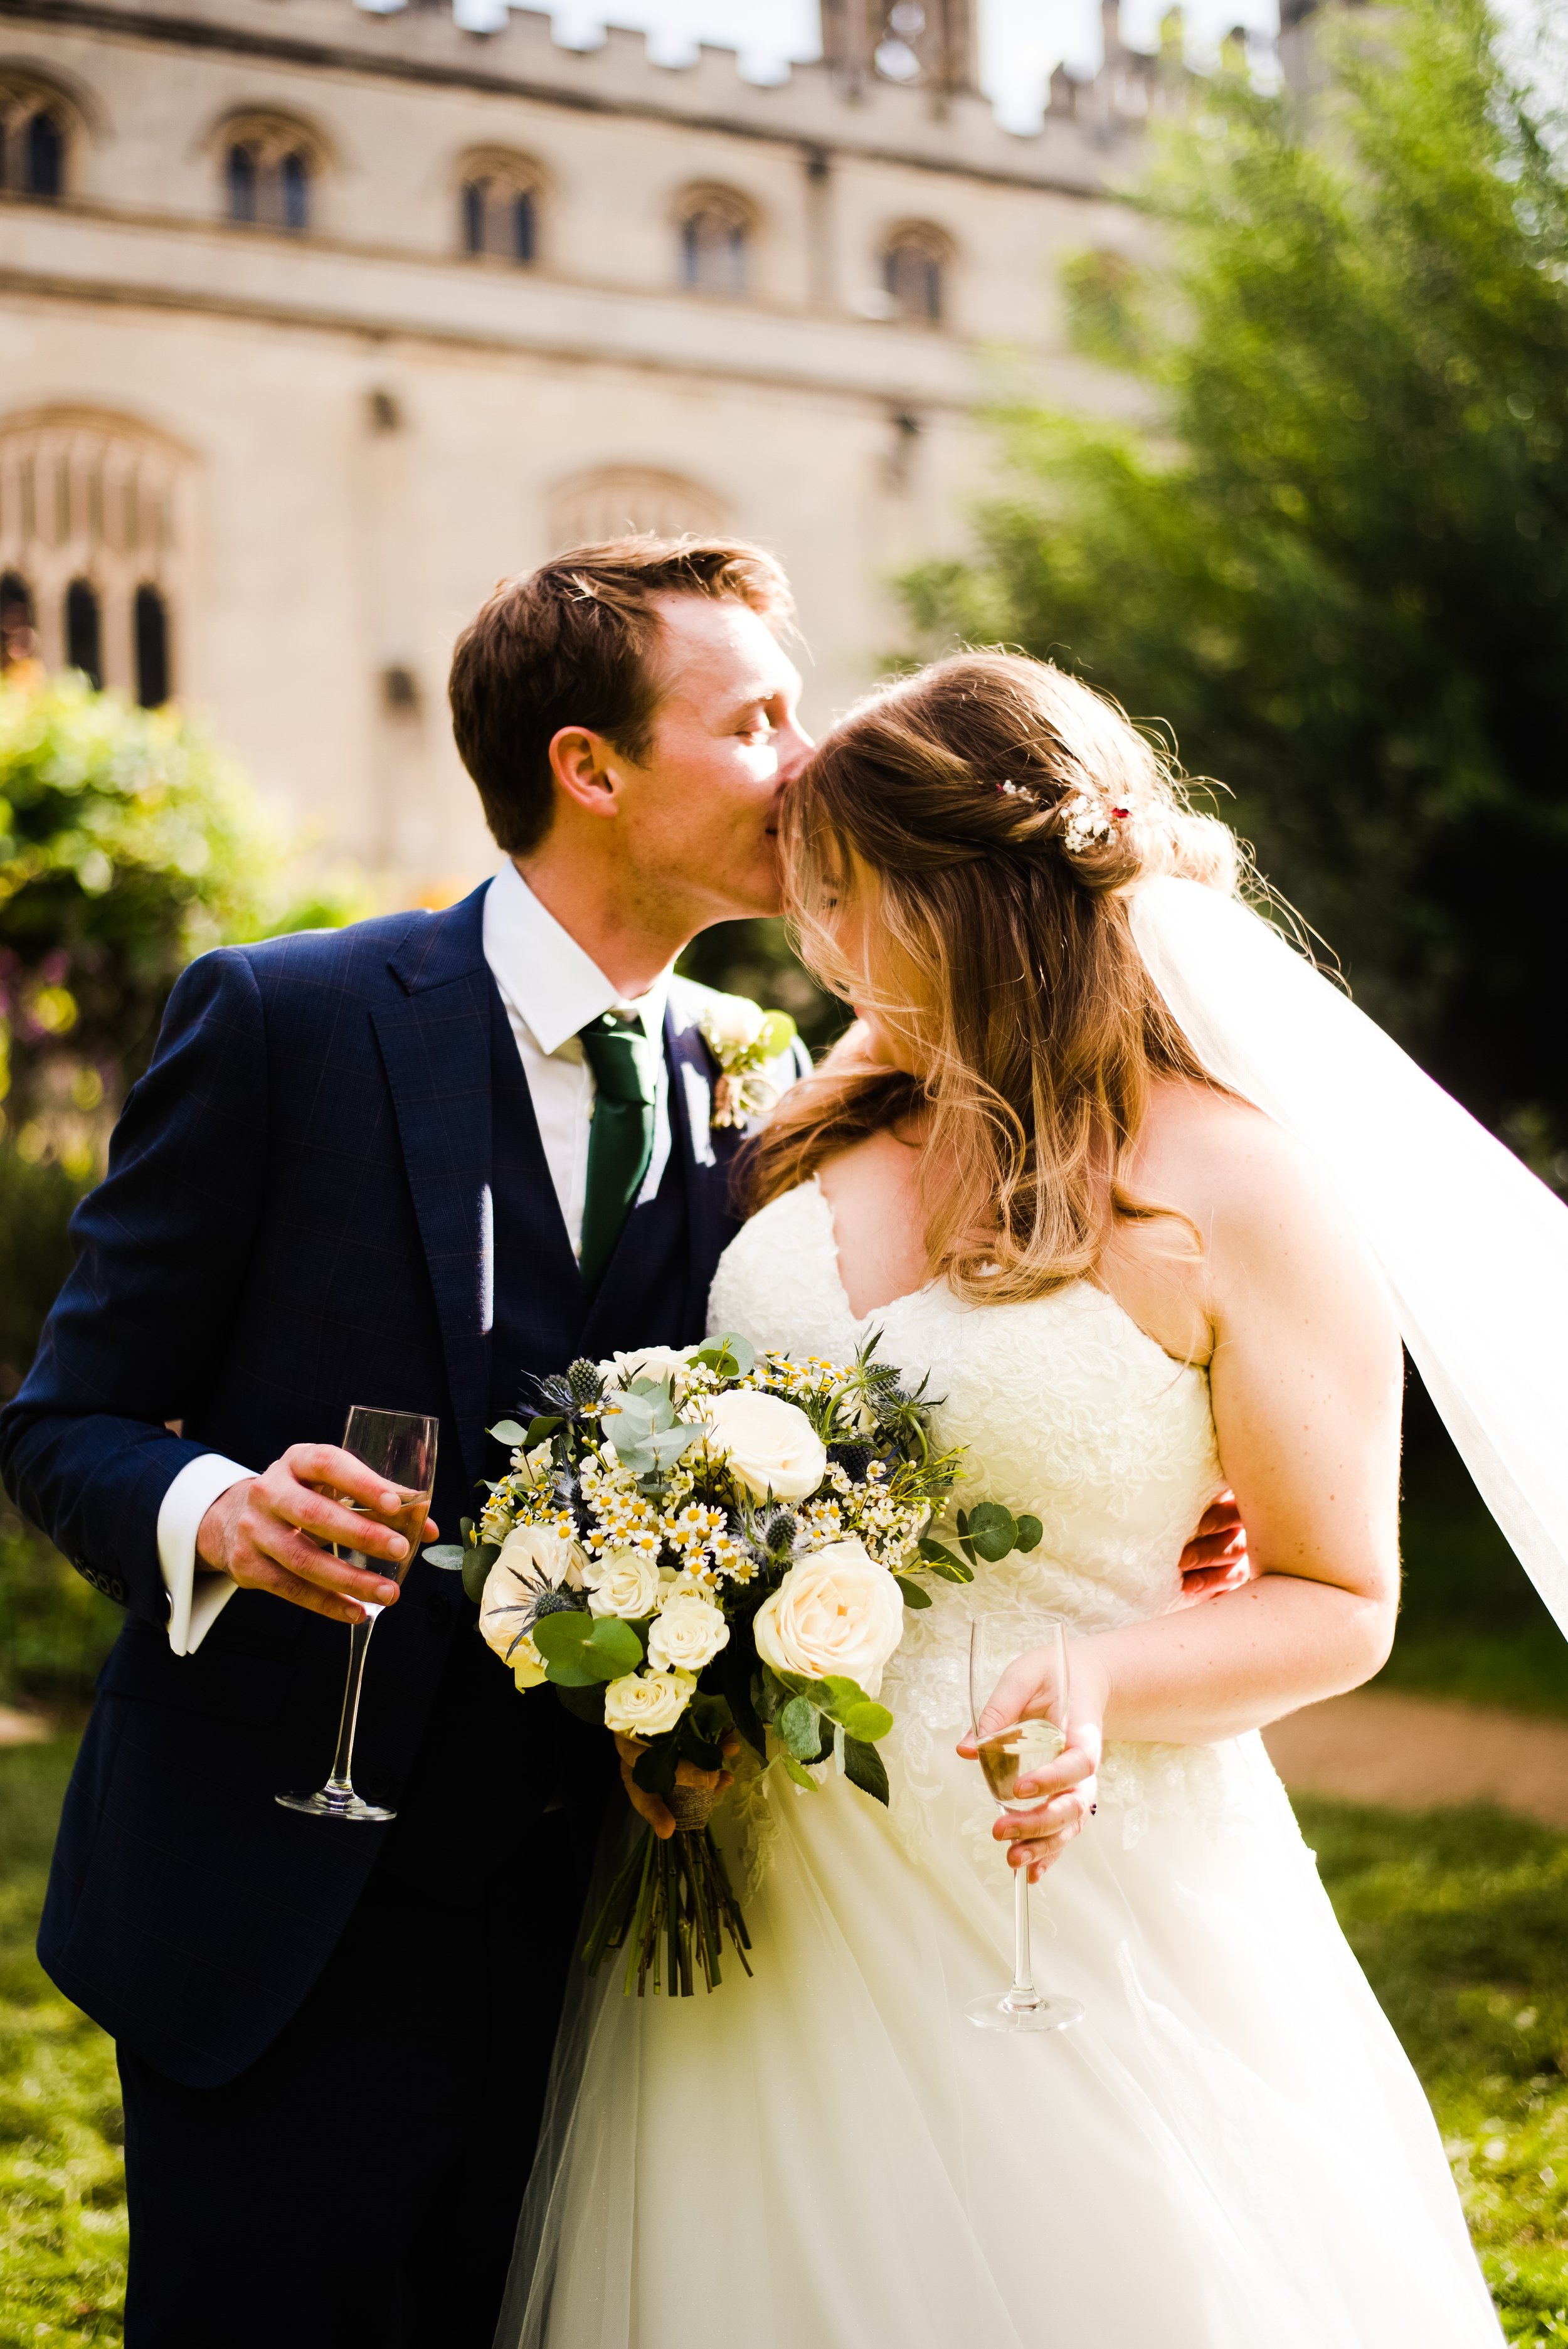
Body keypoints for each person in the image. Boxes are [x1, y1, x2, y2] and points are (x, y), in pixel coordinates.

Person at [0, 546, 1251, 2348]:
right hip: (281, 1906)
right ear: (588, 766)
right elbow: (63, 1421)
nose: (807, 761)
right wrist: (217, 1510)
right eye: (752, 721)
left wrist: (1151, 1513)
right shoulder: (287, 1019)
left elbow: (902, 1373)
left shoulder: (772, 1081)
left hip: (626, 1935)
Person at [501, 650, 1515, 2348]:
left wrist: (1104, 1677)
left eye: (842, 894)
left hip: (1057, 1871)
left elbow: (1340, 1596)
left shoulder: (1236, 1189)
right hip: (773, 1869)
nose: (814, 939)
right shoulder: (819, 1124)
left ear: (963, 897)